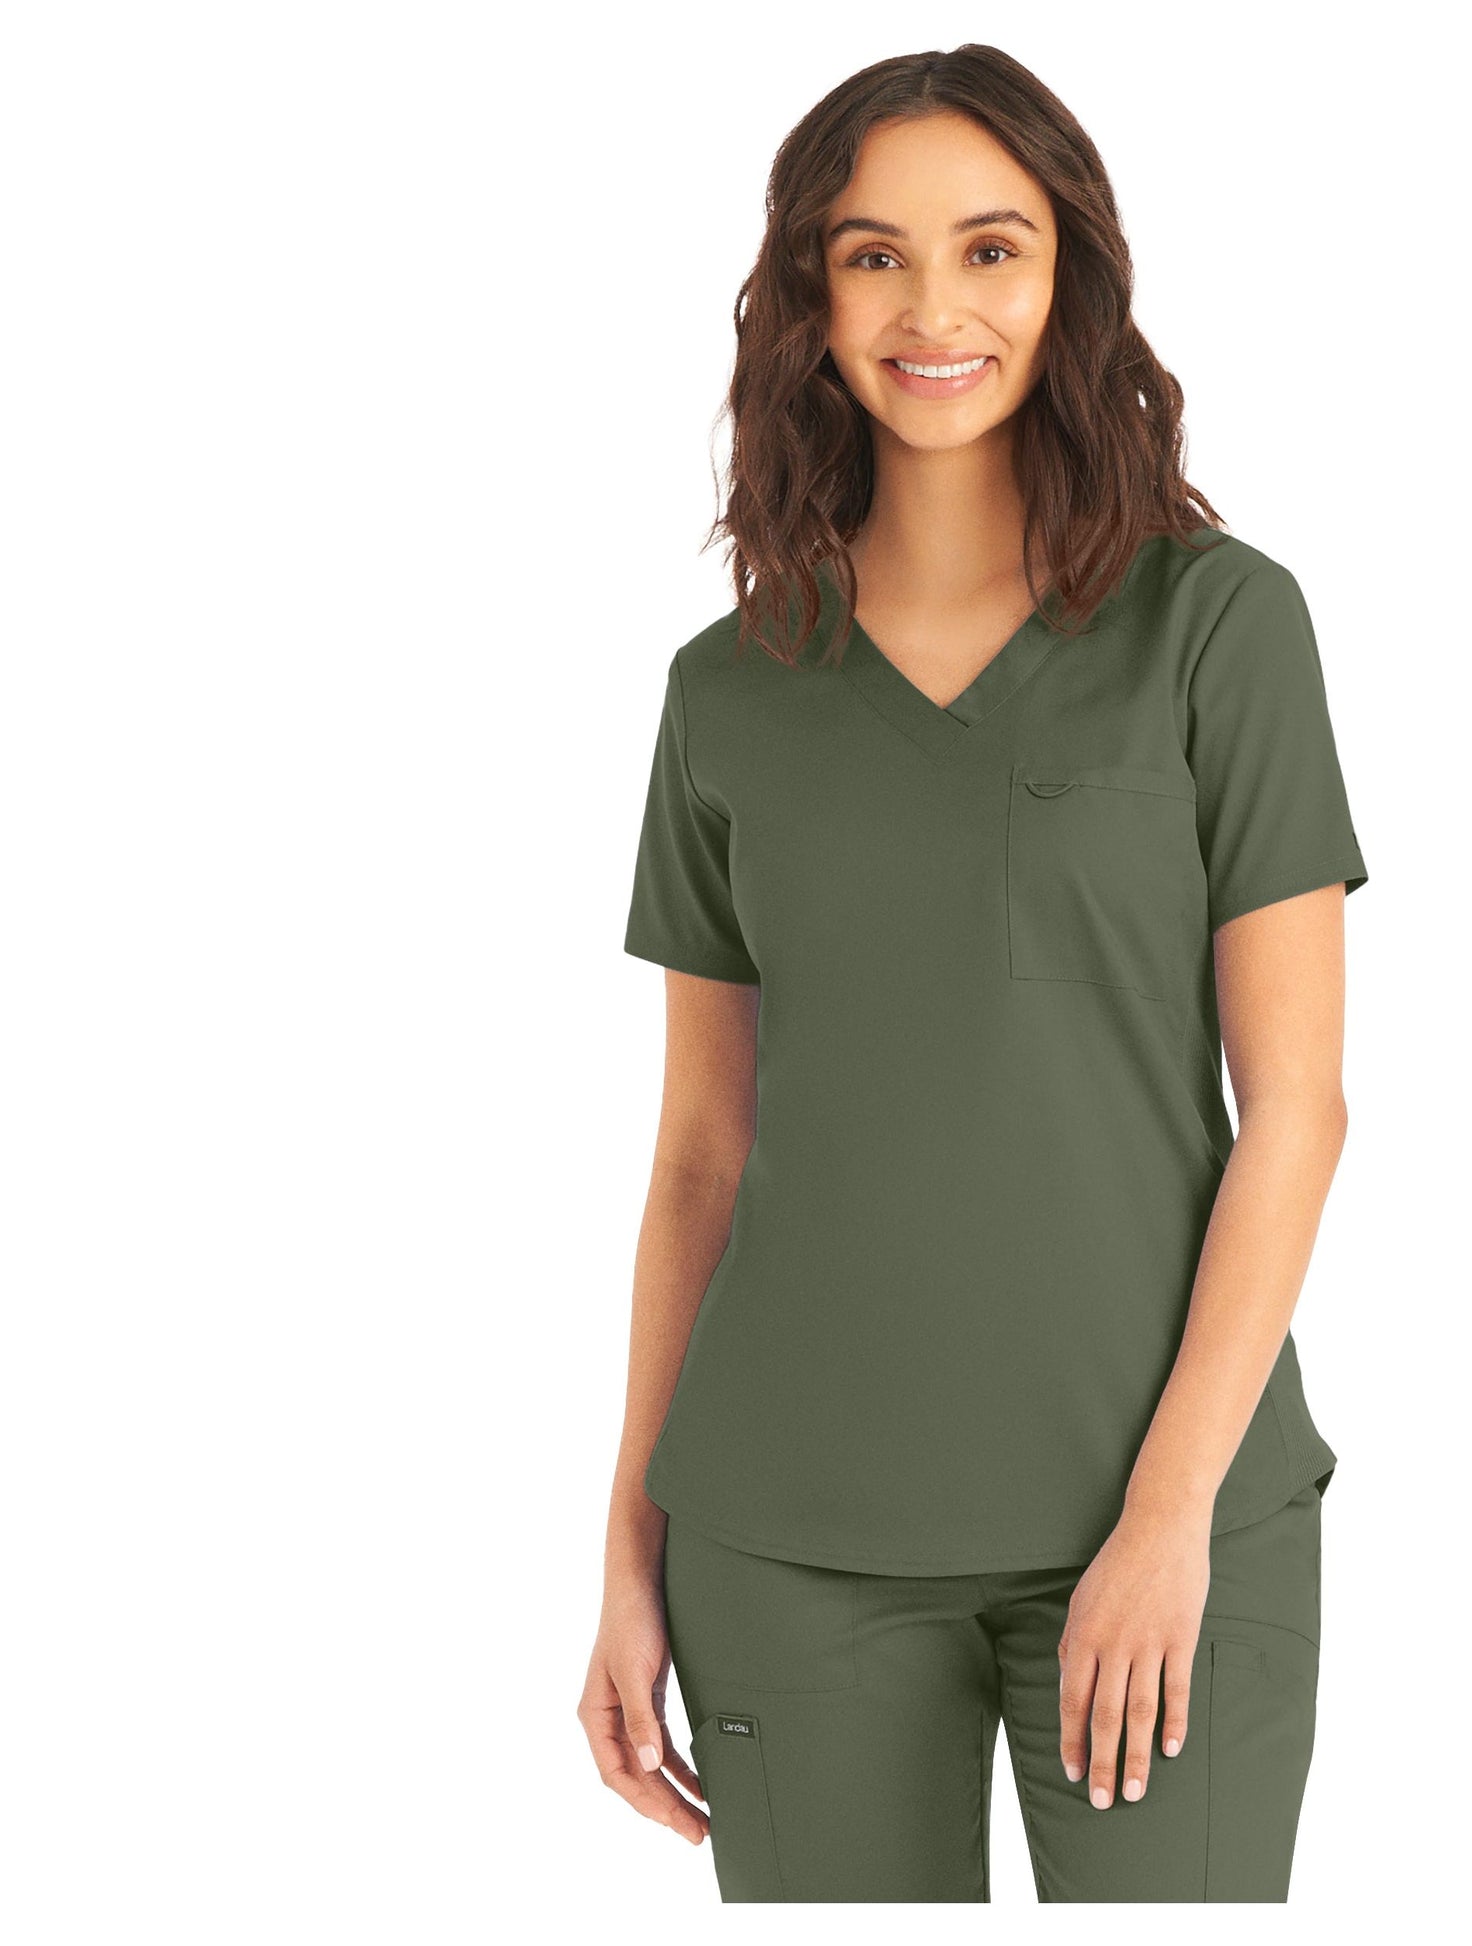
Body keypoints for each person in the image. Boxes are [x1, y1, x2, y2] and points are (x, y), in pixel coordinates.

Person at [577, 43, 1370, 1904]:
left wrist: (1166, 1513)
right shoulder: (727, 688)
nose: (932, 309)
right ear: (809, 294)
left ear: (1067, 276)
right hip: (787, 1536)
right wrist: (628, 1540)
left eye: (989, 249)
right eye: (873, 256)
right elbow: (700, 1152)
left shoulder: (1218, 626)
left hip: (1163, 1514)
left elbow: (1299, 1110)